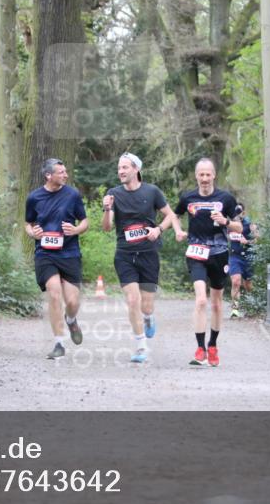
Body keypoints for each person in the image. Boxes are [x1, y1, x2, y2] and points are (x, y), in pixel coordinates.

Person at [101, 153, 178, 364]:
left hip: (148, 254)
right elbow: (107, 228)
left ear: (136, 169)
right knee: (132, 300)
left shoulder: (152, 191)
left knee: (146, 305)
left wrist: (158, 229)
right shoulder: (113, 194)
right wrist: (107, 209)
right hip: (124, 254)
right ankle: (141, 346)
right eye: (119, 168)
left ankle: (148, 317)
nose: (121, 171)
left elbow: (171, 215)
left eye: (125, 167)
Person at [173, 158, 240, 367]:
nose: (204, 179)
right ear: (196, 176)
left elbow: (240, 227)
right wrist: (178, 231)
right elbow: (174, 215)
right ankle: (200, 348)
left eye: (207, 174)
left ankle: (213, 345)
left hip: (219, 254)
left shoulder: (226, 198)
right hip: (196, 253)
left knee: (217, 304)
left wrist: (226, 222)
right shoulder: (188, 198)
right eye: (200, 175)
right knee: (201, 300)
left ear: (214, 175)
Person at [25, 158, 89, 359]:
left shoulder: (72, 195)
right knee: (54, 294)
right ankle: (59, 344)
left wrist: (76, 229)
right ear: (48, 175)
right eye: (61, 172)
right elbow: (28, 223)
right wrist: (32, 233)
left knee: (72, 301)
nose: (66, 175)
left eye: (65, 171)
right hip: (45, 254)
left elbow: (85, 221)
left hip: (69, 253)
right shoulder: (34, 197)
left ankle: (71, 320)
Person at [227, 202, 258, 318]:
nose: (237, 215)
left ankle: (253, 305)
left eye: (239, 212)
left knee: (248, 285)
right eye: (235, 213)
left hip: (248, 256)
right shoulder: (229, 224)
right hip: (234, 256)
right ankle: (235, 309)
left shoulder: (250, 224)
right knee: (235, 281)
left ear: (244, 213)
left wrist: (248, 242)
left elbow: (258, 239)